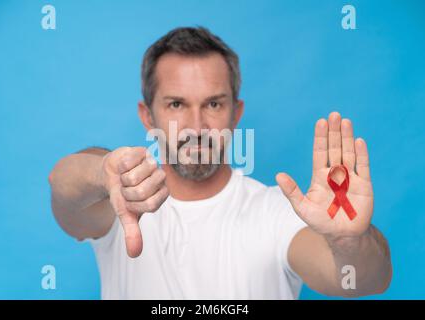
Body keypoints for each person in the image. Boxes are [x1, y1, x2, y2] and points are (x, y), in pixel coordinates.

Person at [48, 26, 392, 299]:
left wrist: (349, 243)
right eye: (176, 105)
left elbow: (360, 282)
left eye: (213, 104)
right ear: (147, 116)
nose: (197, 128)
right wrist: (100, 171)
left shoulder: (279, 212)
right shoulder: (120, 205)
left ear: (235, 112)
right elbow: (62, 185)